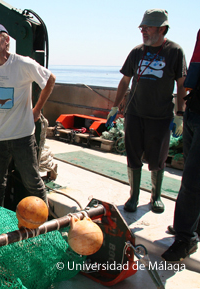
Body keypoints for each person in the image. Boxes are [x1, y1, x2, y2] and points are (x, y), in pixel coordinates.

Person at [106, 9, 187, 213]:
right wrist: (115, 107)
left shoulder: (175, 51)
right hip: (135, 113)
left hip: (160, 116)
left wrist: (180, 114)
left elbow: (181, 83)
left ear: (161, 29)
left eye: (147, 27)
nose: (143, 31)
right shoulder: (136, 52)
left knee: (157, 158)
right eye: (142, 27)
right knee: (133, 155)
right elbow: (125, 80)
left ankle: (156, 196)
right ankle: (133, 196)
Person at [0, 23, 56, 207]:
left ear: (6, 41)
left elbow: (50, 79)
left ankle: (43, 225)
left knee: (33, 183)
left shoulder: (23, 63)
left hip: (22, 136)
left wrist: (37, 110)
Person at [162, 29, 200, 262]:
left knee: (193, 180)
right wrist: (182, 111)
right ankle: (191, 224)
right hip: (195, 106)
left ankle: (186, 238)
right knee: (192, 173)